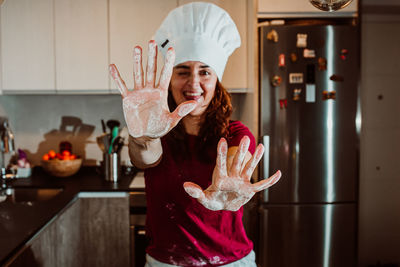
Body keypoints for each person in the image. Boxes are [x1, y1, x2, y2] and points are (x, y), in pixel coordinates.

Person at [109, 2, 281, 266]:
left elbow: (232, 160)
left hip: (230, 262)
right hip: (165, 262)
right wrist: (143, 137)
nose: (193, 83)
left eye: (204, 72)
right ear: (169, 80)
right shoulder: (158, 132)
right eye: (182, 71)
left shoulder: (235, 133)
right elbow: (145, 157)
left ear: (216, 81)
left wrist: (228, 182)